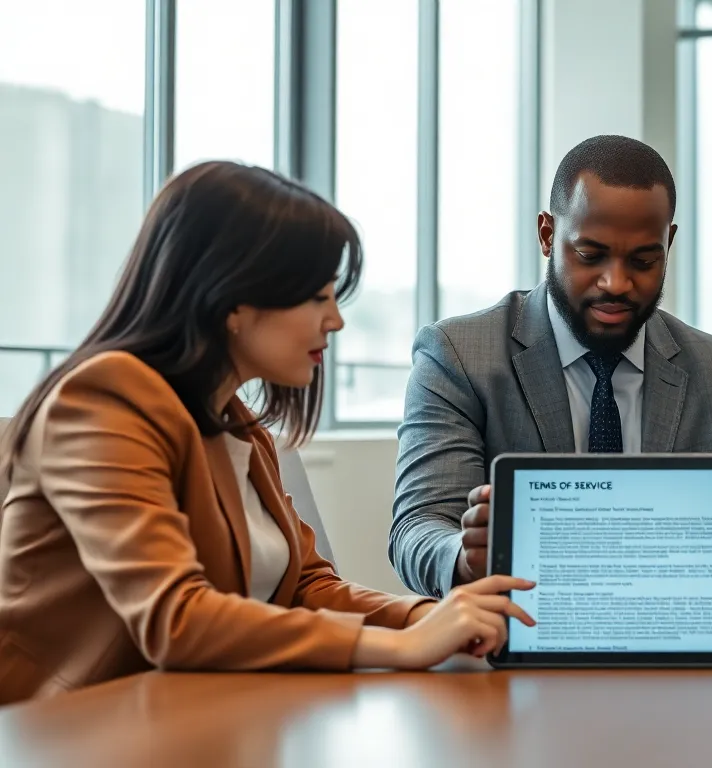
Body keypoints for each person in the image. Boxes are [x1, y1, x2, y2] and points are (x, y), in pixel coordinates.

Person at [0, 162, 534, 705]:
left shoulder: (238, 425)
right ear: (234, 298)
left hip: (193, 719)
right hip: (65, 731)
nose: (336, 321)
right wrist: (403, 646)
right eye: (317, 297)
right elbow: (174, 619)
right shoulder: (103, 400)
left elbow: (306, 588)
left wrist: (439, 617)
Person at [391, 135, 712, 597]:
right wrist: (463, 557)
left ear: (670, 242)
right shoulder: (460, 357)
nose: (616, 283)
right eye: (590, 255)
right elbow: (418, 526)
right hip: (514, 637)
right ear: (547, 235)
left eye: (644, 260)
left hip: (669, 633)